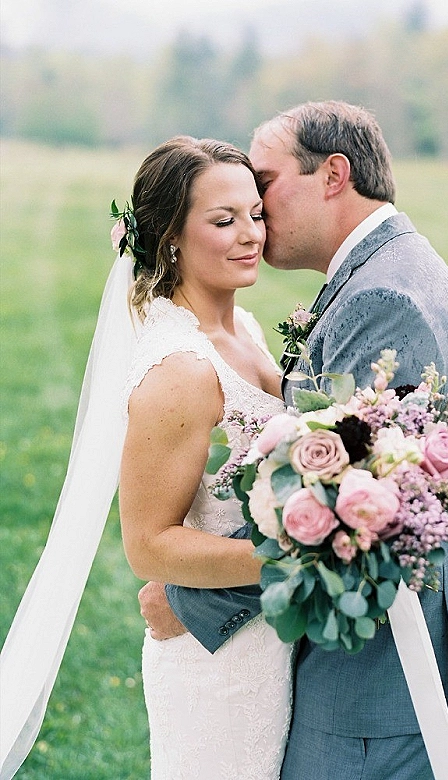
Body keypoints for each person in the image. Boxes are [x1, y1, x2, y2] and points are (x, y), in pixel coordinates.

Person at [143, 101, 448, 779]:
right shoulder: (388, 267)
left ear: (333, 175)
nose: (256, 210)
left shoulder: (382, 299)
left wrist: (190, 598)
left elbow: (349, 506)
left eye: (265, 183)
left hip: (381, 665)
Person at [0, 136, 294, 780]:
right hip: (218, 662)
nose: (251, 234)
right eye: (223, 220)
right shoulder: (180, 370)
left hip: (273, 635)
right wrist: (303, 561)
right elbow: (149, 546)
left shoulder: (243, 329)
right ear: (170, 238)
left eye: (255, 213)